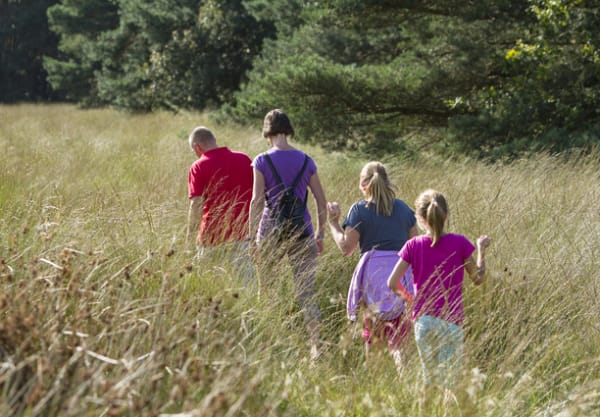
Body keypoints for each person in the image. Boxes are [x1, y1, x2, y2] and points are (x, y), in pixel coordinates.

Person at [387, 189, 491, 395]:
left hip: (424, 321)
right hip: (451, 321)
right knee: (449, 386)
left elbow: (392, 282)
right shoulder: (460, 243)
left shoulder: (413, 245)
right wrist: (481, 249)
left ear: (419, 218)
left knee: (429, 381)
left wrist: (411, 301)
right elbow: (478, 279)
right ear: (446, 215)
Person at [249, 109, 327, 360]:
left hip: (270, 231)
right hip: (302, 231)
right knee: (307, 293)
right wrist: (321, 233)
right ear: (288, 129)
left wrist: (252, 237)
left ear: (267, 131)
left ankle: (268, 346)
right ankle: (316, 348)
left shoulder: (261, 161)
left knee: (267, 291)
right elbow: (321, 202)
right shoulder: (307, 160)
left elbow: (256, 202)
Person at [327, 161, 417, 364]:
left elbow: (346, 248)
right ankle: (405, 383)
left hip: (373, 280)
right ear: (387, 182)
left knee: (374, 339)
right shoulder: (403, 209)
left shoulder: (359, 210)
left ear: (362, 184)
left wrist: (333, 223)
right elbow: (415, 247)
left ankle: (375, 385)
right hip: (401, 276)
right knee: (400, 341)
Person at [186, 126, 254, 278]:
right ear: (214, 141)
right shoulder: (244, 159)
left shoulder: (198, 166)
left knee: (210, 286)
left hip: (211, 239)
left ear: (197, 147)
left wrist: (189, 238)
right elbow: (258, 196)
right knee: (246, 288)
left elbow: (196, 204)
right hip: (242, 236)